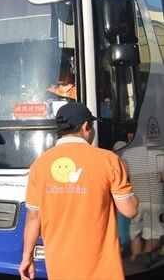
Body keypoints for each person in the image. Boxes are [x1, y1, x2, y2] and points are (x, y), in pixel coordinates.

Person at [18, 101, 138, 280]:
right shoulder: (109, 160)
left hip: (60, 269)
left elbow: (34, 218)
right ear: (86, 126)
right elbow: (130, 210)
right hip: (103, 271)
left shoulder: (39, 166)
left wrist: (27, 258)